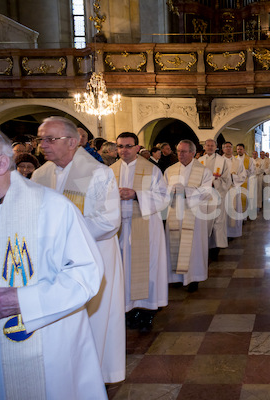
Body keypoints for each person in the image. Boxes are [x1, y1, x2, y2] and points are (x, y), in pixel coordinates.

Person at [0, 126, 107, 399]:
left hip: (43, 343)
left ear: (2, 163)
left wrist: (24, 301)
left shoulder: (51, 208)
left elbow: (86, 275)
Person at [32, 117, 125, 384]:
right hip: (52, 262)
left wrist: (63, 234)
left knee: (95, 319)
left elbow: (108, 222)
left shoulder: (98, 173)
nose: (43, 145)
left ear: (72, 142)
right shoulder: (39, 175)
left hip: (94, 257)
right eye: (41, 139)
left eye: (50, 139)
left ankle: (94, 377)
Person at [111, 132, 169, 333]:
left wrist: (136, 194)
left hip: (145, 224)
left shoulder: (152, 170)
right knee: (123, 269)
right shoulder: (110, 171)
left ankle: (146, 312)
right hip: (118, 227)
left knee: (147, 268)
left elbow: (163, 197)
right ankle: (126, 310)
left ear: (137, 147)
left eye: (128, 146)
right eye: (120, 146)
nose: (124, 150)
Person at [165, 140, 213, 292]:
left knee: (193, 247)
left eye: (184, 151)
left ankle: (193, 278)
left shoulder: (204, 171)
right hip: (174, 212)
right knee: (175, 244)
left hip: (194, 215)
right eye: (178, 151)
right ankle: (176, 278)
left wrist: (186, 191)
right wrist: (169, 192)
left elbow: (206, 192)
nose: (180, 155)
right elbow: (161, 190)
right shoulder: (169, 170)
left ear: (193, 153)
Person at [199, 139, 231, 251]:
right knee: (205, 218)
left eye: (212, 145)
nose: (210, 147)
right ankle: (205, 242)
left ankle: (218, 244)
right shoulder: (199, 160)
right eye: (208, 145)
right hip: (203, 194)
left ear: (216, 147)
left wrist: (214, 181)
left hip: (217, 191)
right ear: (204, 147)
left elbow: (227, 178)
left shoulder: (222, 161)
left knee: (218, 218)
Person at [222, 141, 247, 238]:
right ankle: (223, 233)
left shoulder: (238, 162)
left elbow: (243, 175)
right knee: (223, 211)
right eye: (226, 147)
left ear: (232, 149)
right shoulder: (219, 161)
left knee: (234, 210)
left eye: (230, 147)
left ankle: (232, 233)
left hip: (234, 188)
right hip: (222, 190)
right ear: (223, 149)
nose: (228, 149)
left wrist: (233, 178)